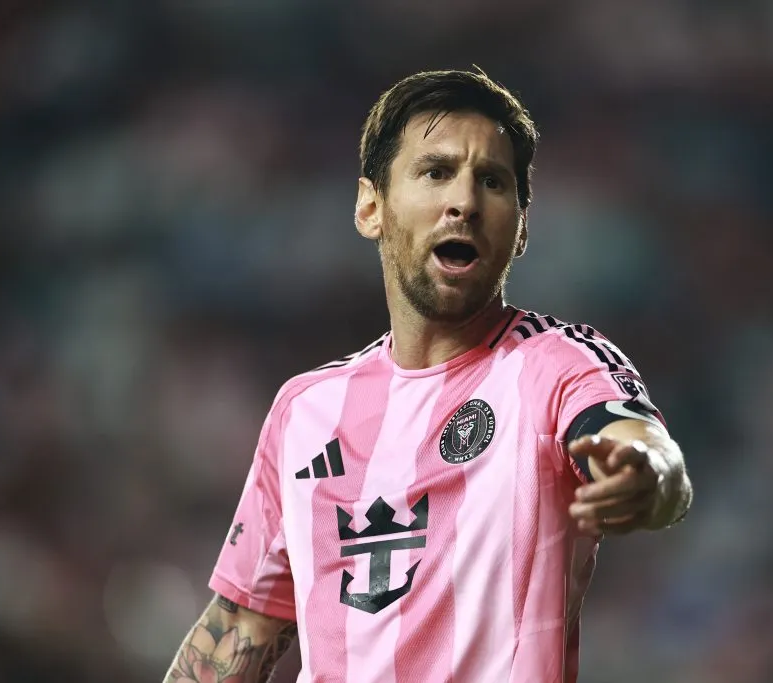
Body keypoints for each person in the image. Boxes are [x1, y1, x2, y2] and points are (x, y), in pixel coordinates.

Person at [163, 68, 693, 683]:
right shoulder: (305, 411)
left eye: (492, 182)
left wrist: (646, 477)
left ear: (520, 229)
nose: (464, 202)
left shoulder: (558, 363)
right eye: (436, 172)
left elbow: (652, 457)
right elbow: (242, 629)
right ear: (370, 207)